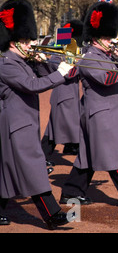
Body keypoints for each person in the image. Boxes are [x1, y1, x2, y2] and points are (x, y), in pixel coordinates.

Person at [60, 1, 118, 208]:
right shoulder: (89, 57)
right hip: (99, 114)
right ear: (95, 38)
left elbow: (115, 74)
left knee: (87, 157)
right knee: (113, 154)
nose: (111, 41)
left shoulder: (103, 55)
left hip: (106, 112)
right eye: (107, 38)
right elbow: (107, 79)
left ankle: (71, 191)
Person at [0, 0, 74, 229]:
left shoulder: (22, 60)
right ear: (13, 42)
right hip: (15, 123)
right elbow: (31, 86)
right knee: (33, 166)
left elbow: (42, 77)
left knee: (7, 168)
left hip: (25, 121)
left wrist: (44, 63)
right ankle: (52, 214)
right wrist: (60, 73)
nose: (31, 44)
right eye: (26, 40)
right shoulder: (6, 63)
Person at [41, 20, 83, 173]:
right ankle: (80, 149)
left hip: (68, 95)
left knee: (52, 131)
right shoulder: (58, 53)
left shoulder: (71, 51)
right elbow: (66, 72)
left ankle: (44, 155)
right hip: (63, 95)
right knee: (74, 126)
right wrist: (80, 64)